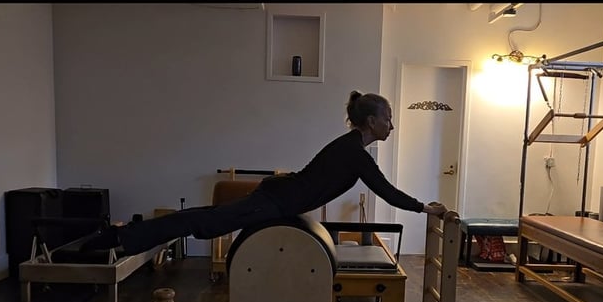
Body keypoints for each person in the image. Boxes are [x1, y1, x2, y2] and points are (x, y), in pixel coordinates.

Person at [82, 90, 447, 256]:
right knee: (201, 222)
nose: (391, 125)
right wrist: (424, 208)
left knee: (202, 219)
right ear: (370, 121)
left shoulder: (353, 148)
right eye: (388, 119)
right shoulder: (353, 152)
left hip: (278, 199)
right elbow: (386, 191)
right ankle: (118, 238)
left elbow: (382, 188)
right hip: (275, 200)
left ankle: (122, 236)